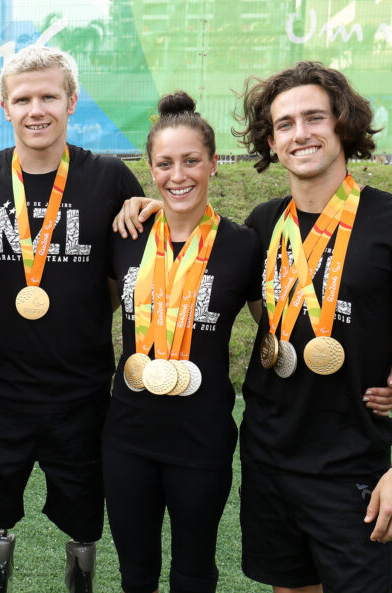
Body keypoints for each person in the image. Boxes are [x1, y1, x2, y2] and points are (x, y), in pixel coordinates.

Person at [232, 61, 392, 593]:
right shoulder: (265, 223)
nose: (300, 133)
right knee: (289, 587)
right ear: (271, 140)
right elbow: (263, 306)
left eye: (315, 118)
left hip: (350, 465)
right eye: (284, 124)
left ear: (343, 125)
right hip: (267, 455)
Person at [0, 45, 145, 592]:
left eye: (49, 96)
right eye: (22, 98)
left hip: (83, 387)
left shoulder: (111, 179)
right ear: (5, 107)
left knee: (84, 514)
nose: (36, 109)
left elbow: (144, 269)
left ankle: (80, 582)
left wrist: (160, 207)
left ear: (72, 101)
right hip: (1, 384)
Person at [103, 92, 262, 593]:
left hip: (202, 436)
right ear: (150, 168)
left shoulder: (243, 244)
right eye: (165, 163)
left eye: (192, 161)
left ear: (213, 164)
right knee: (136, 571)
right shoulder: (127, 233)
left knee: (194, 570)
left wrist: (377, 365)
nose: (179, 175)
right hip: (127, 434)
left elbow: (281, 322)